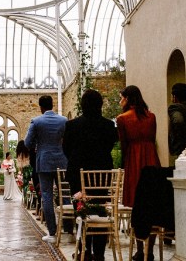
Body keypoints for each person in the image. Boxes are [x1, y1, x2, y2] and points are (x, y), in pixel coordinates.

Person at [63, 89, 118, 261]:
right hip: (101, 174)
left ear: (83, 105)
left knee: (80, 209)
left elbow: (66, 149)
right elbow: (110, 145)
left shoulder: (72, 125)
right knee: (100, 210)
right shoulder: (109, 125)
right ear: (100, 105)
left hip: (77, 173)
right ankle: (99, 252)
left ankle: (84, 250)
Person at [116, 85, 160, 261]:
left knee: (137, 206)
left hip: (134, 162)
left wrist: (127, 161)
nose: (120, 102)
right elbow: (153, 139)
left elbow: (124, 144)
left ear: (127, 99)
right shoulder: (152, 116)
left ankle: (140, 250)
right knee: (151, 205)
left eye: (121, 98)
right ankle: (150, 252)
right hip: (151, 159)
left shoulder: (122, 118)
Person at [24, 95, 68, 243]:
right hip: (62, 161)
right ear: (53, 104)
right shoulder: (63, 120)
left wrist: (38, 144)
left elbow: (27, 143)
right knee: (65, 194)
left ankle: (52, 232)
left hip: (44, 161)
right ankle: (68, 229)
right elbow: (68, 140)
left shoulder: (36, 121)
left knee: (47, 195)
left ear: (41, 107)